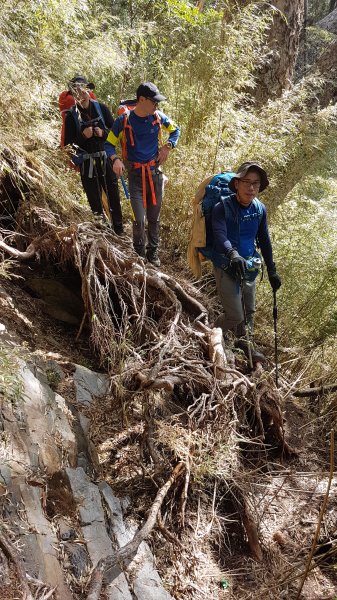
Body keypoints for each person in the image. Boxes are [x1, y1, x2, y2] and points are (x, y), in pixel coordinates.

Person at [211, 162, 281, 364]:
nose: (251, 188)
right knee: (234, 315)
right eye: (247, 182)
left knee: (249, 311)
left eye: (256, 184)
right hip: (226, 264)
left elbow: (264, 240)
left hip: (249, 266)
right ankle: (214, 331)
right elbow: (219, 234)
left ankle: (244, 342)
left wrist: (272, 271)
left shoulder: (259, 209)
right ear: (236, 184)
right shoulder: (221, 207)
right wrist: (232, 254)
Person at [105, 82, 180, 266]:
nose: (157, 105)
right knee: (139, 218)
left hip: (155, 174)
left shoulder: (158, 117)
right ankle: (139, 254)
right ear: (141, 100)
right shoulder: (123, 121)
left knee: (154, 218)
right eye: (154, 101)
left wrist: (167, 147)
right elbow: (108, 144)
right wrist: (115, 159)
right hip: (136, 176)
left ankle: (152, 253)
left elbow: (175, 130)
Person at [63, 75, 123, 234]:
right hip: (86, 163)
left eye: (83, 90)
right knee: (94, 200)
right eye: (76, 91)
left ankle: (119, 231)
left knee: (113, 196)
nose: (81, 94)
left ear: (89, 91)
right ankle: (103, 232)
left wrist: (103, 133)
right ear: (73, 94)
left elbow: (115, 133)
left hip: (105, 158)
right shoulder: (71, 116)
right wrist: (83, 136)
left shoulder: (102, 109)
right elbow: (69, 146)